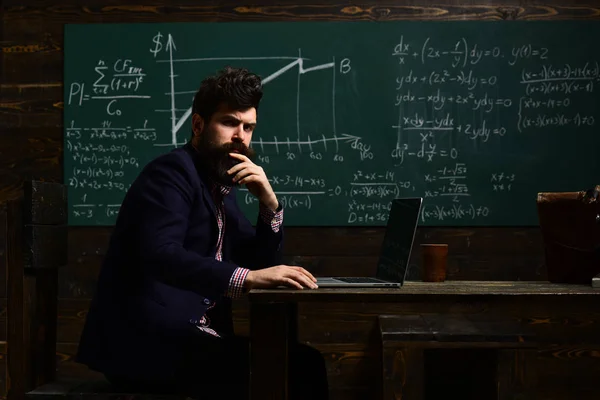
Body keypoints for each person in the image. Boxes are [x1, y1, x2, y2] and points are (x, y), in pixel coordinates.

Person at [76, 67, 329, 399]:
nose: (240, 135)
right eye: (229, 123)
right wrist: (249, 278)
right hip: (146, 347)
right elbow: (161, 254)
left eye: (248, 127)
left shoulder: (219, 185)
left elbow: (261, 262)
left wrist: (269, 203)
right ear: (198, 125)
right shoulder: (171, 173)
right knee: (298, 367)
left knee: (300, 362)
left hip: (190, 337)